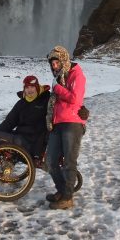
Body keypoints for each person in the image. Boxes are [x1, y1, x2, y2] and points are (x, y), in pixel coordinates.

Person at [45, 45, 87, 210]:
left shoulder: (77, 74)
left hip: (72, 124)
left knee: (69, 162)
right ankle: (62, 190)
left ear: (63, 60)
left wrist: (57, 89)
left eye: (56, 62)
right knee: (50, 161)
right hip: (57, 123)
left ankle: (67, 197)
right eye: (52, 64)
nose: (54, 66)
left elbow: (75, 99)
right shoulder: (58, 78)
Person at [0, 75, 51, 158]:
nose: (29, 90)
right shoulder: (22, 103)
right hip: (20, 137)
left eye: (32, 87)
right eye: (27, 87)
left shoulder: (45, 101)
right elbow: (9, 122)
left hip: (32, 143)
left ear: (37, 87)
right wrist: (0, 133)